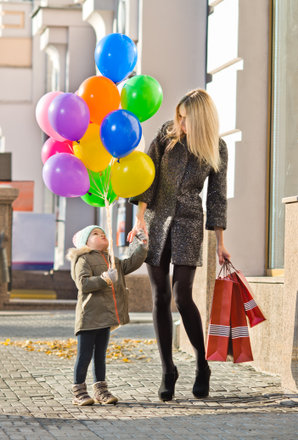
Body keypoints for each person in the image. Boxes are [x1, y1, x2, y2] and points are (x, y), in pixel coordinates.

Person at [128, 88, 230, 402]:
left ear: (200, 119)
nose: (181, 123)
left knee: (182, 294)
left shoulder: (217, 148)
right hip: (157, 222)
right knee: (160, 296)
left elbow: (216, 198)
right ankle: (168, 370)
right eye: (179, 117)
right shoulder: (165, 136)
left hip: (188, 223)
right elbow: (147, 179)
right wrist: (139, 220)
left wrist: (220, 244)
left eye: (186, 119)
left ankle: (202, 364)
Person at [66, 225, 148, 406]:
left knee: (100, 355)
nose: (101, 235)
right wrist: (104, 280)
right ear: (85, 243)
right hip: (89, 316)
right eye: (95, 234)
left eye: (103, 233)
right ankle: (79, 391)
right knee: (84, 355)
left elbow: (129, 264)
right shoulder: (83, 259)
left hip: (106, 316)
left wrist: (142, 246)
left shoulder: (111, 259)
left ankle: (101, 390)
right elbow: (83, 283)